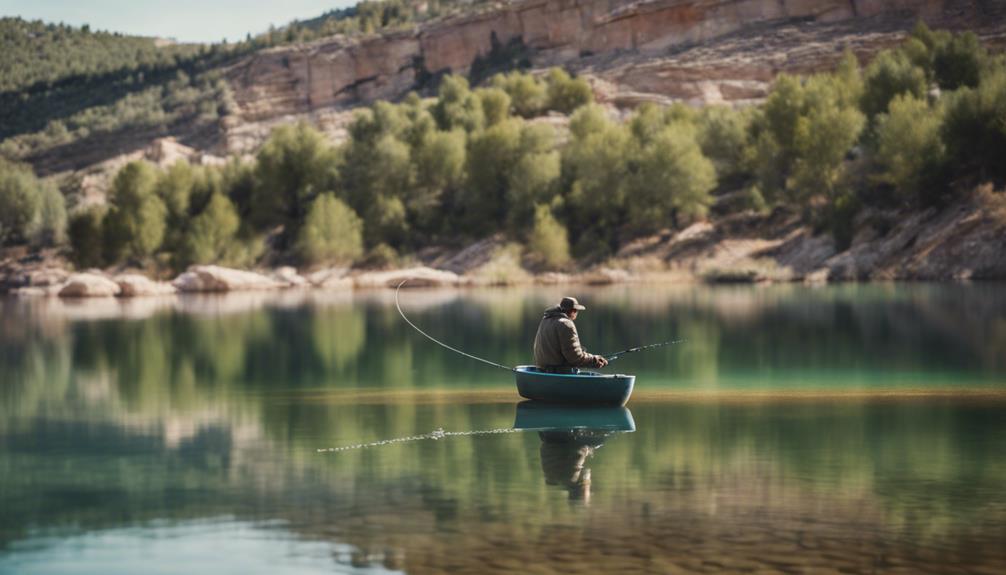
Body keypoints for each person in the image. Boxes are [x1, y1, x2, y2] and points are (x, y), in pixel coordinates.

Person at [533, 296, 608, 373]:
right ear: (572, 311)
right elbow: (575, 358)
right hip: (558, 374)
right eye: (576, 311)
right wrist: (594, 360)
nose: (576, 314)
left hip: (542, 371)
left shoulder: (545, 320)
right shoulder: (566, 324)